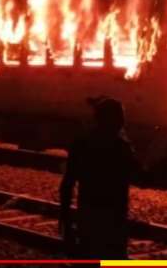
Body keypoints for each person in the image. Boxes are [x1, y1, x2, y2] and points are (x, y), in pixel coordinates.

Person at [59, 96, 138, 259]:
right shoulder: (121, 149)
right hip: (114, 223)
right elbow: (144, 177)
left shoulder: (81, 144)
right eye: (121, 117)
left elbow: (67, 184)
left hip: (88, 220)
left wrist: (65, 220)